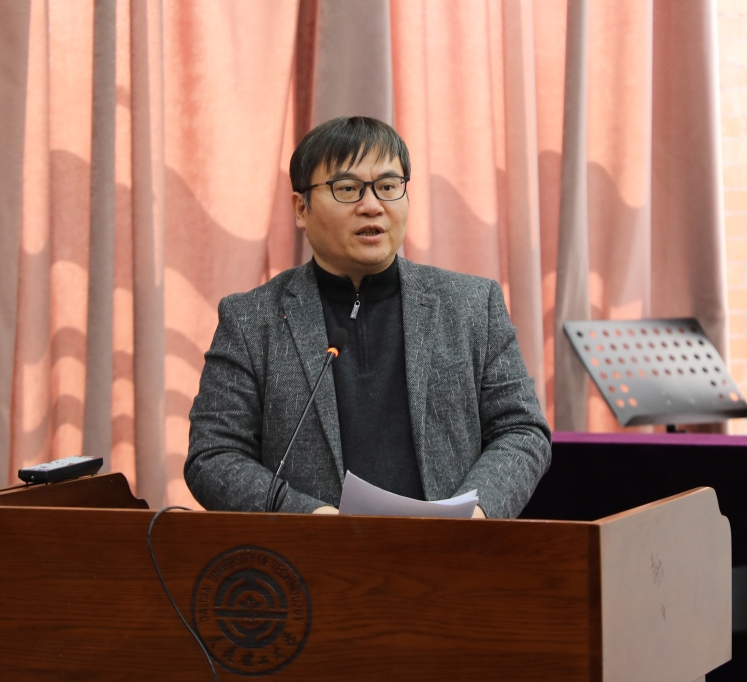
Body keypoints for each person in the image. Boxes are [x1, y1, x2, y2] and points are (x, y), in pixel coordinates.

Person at [185, 116, 550, 518]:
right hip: (313, 551)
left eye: (388, 187)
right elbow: (213, 455)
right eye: (347, 189)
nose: (372, 206)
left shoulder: (472, 305)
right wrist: (307, 517)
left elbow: (521, 430)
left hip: (450, 548)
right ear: (301, 208)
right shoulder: (251, 320)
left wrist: (475, 514)